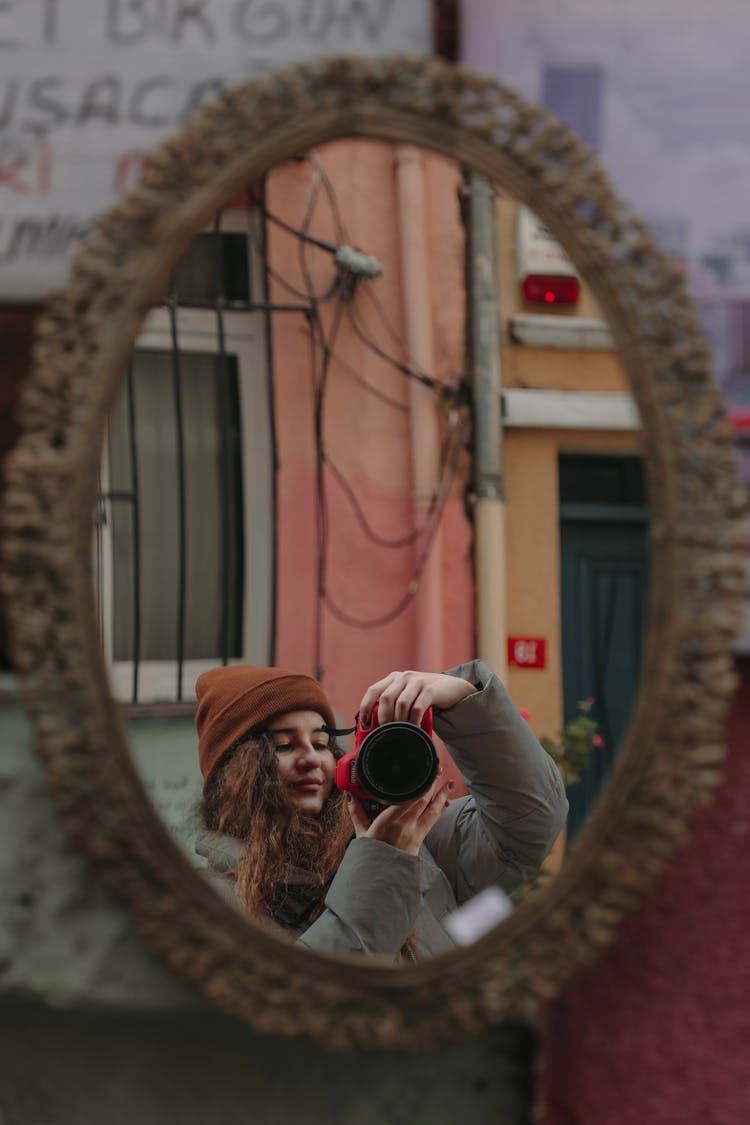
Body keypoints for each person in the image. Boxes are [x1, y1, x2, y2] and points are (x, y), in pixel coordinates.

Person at [194, 660, 568, 962]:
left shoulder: (417, 841)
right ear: (235, 775)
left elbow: (531, 823)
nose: (311, 758)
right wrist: (384, 862)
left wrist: (467, 702)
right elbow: (311, 1011)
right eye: (284, 746)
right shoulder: (212, 907)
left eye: (322, 742)